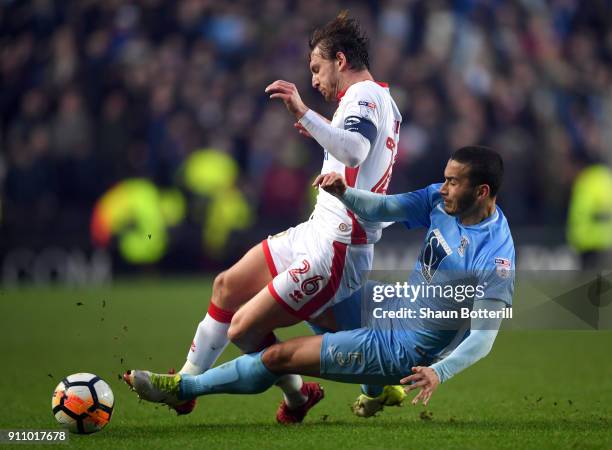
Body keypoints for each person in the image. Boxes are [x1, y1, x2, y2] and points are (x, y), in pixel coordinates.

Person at [125, 146, 515, 419]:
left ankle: (182, 389)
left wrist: (438, 371)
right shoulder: (439, 201)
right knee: (321, 302)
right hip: (388, 307)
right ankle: (377, 391)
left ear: (481, 192)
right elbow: (386, 207)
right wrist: (346, 193)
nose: (443, 188)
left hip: (400, 349)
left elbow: (483, 337)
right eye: (444, 180)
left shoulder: (495, 257)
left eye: (453, 182)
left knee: (280, 356)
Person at [168, 11, 402, 423]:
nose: (313, 80)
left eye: (317, 68)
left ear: (340, 61)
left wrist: (303, 112)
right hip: (318, 231)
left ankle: (197, 389)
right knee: (227, 285)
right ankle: (191, 382)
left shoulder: (363, 96)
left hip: (337, 248)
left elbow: (354, 152)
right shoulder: (374, 99)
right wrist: (320, 127)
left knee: (243, 330)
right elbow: (351, 148)